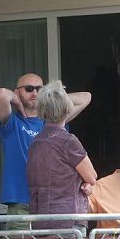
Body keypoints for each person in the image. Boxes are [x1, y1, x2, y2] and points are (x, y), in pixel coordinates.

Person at [0, 72, 90, 229]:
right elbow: (1, 95)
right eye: (29, 89)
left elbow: (86, 97)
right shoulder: (13, 123)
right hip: (21, 203)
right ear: (17, 92)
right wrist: (17, 101)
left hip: (53, 203)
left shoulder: (55, 121)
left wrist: (52, 98)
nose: (35, 93)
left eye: (40, 89)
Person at [25, 81, 97, 230]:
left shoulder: (35, 142)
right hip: (68, 219)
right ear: (66, 108)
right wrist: (85, 183)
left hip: (40, 219)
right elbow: (91, 176)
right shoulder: (68, 141)